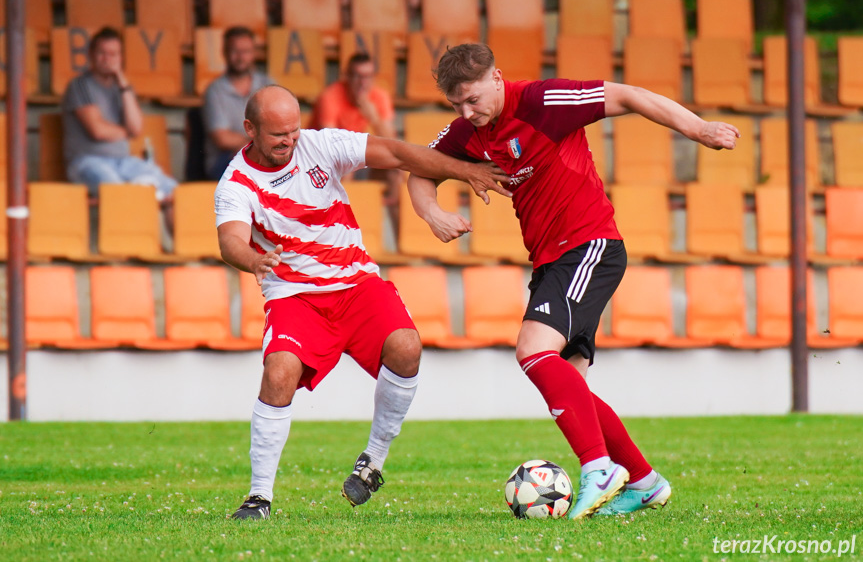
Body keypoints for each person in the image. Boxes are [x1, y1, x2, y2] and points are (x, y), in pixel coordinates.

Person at [407, 43, 740, 520]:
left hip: (588, 246)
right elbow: (419, 167)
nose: (467, 112)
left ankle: (598, 468)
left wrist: (697, 128)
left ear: (496, 78)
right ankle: (644, 482)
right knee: (569, 384)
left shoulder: (543, 102)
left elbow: (628, 96)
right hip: (551, 261)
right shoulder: (467, 130)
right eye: (456, 104)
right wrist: (432, 212)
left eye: (473, 99)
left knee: (531, 350)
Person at [214, 85, 509, 520]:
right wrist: (254, 260)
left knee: (407, 346)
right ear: (250, 129)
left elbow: (396, 153)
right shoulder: (236, 182)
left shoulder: (321, 144)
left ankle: (372, 462)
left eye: (294, 131)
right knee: (279, 373)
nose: (289, 141)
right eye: (278, 135)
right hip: (296, 295)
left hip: (355, 283)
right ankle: (260, 497)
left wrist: (466, 170)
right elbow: (230, 240)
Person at [63, 27, 177, 220]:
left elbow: (137, 128)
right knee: (119, 193)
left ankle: (181, 248)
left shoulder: (122, 88)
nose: (107, 59)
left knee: (173, 191)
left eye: (113, 54)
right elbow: (97, 131)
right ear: (91, 54)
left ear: (121, 57)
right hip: (87, 161)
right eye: (102, 53)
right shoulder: (79, 85)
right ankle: (127, 247)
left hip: (124, 162)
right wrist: (128, 132)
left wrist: (123, 84)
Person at [309, 53, 403, 210]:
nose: (363, 83)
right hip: (320, 161)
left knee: (396, 170)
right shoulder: (329, 97)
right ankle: (342, 224)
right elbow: (330, 145)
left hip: (356, 158)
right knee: (347, 169)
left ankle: (403, 232)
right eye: (358, 76)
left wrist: (374, 118)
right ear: (347, 77)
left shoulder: (380, 96)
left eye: (368, 77)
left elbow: (393, 143)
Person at [202, 26, 274, 180]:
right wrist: (261, 143)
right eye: (235, 51)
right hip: (224, 161)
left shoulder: (268, 85)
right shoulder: (214, 91)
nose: (241, 57)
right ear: (225, 53)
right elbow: (223, 139)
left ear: (254, 53)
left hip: (264, 156)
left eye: (246, 51)